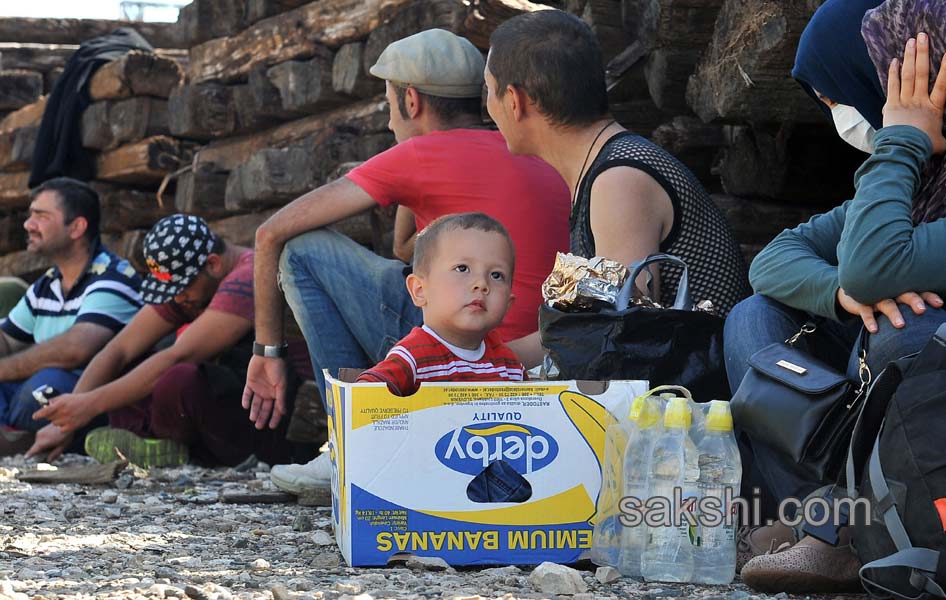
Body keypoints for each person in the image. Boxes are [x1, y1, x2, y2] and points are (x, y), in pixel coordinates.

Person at [241, 29, 570, 494]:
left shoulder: (418, 154)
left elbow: (270, 231)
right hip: (529, 351)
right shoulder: (525, 149)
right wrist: (410, 185)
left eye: (389, 105)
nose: (390, 121)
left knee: (302, 250)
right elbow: (404, 249)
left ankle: (347, 440)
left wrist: (267, 352)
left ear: (410, 101)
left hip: (462, 344)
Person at [725, 2, 946, 591]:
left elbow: (876, 265)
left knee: (905, 330)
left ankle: (873, 527)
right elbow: (774, 259)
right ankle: (825, 522)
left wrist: (899, 141)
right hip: (885, 407)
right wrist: (839, 293)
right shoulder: (918, 184)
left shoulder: (902, 168)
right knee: (758, 317)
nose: (833, 110)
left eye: (835, 92)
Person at [483, 9, 751, 367]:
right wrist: (480, 359)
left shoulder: (619, 180)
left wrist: (485, 361)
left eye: (489, 90)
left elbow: (620, 336)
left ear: (514, 101)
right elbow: (592, 329)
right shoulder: (604, 166)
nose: (488, 106)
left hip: (698, 404)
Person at [26, 214, 300, 467]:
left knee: (180, 377)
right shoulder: (194, 284)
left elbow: (179, 356)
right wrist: (68, 417)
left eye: (180, 289)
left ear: (213, 264)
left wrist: (88, 407)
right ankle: (155, 445)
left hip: (270, 422)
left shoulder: (248, 276)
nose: (178, 298)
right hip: (220, 412)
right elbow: (119, 349)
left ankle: (160, 444)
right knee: (130, 364)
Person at [0, 177, 141, 456]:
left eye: (41, 216)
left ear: (76, 227)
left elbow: (76, 350)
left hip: (94, 401)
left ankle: (20, 441)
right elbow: (7, 338)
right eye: (30, 215)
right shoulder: (48, 284)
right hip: (39, 397)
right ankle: (17, 439)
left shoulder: (112, 277)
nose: (29, 225)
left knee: (45, 385)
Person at [357, 213, 525, 395]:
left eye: (496, 275)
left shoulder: (509, 367)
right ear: (419, 290)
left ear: (508, 305)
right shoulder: (413, 357)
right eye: (462, 268)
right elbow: (362, 397)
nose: (482, 284)